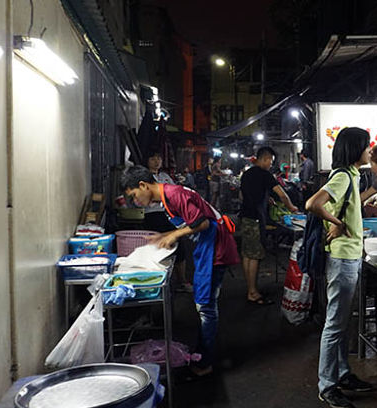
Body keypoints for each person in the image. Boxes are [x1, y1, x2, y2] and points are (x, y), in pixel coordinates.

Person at [121, 166, 239, 379]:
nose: (136, 202)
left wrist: (174, 236)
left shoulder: (174, 195)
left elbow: (201, 223)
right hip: (207, 248)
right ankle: (203, 354)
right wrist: (164, 235)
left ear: (143, 185)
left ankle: (205, 362)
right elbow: (190, 223)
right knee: (204, 305)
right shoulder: (167, 197)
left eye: (135, 196)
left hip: (215, 249)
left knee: (206, 308)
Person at [306, 127, 376, 408]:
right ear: (355, 149)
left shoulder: (352, 176)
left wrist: (339, 222)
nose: (370, 151)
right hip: (342, 260)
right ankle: (327, 385)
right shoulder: (343, 177)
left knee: (343, 321)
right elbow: (313, 204)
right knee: (334, 324)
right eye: (367, 146)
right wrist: (338, 224)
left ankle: (343, 373)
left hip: (349, 257)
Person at [239, 146, 298, 304]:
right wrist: (291, 207)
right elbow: (282, 194)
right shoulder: (265, 174)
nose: (270, 164)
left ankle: (250, 288)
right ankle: (252, 292)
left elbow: (243, 194)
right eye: (270, 161)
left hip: (245, 216)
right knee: (255, 256)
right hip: (256, 218)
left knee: (247, 254)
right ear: (264, 159)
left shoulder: (246, 174)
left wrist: (265, 199)